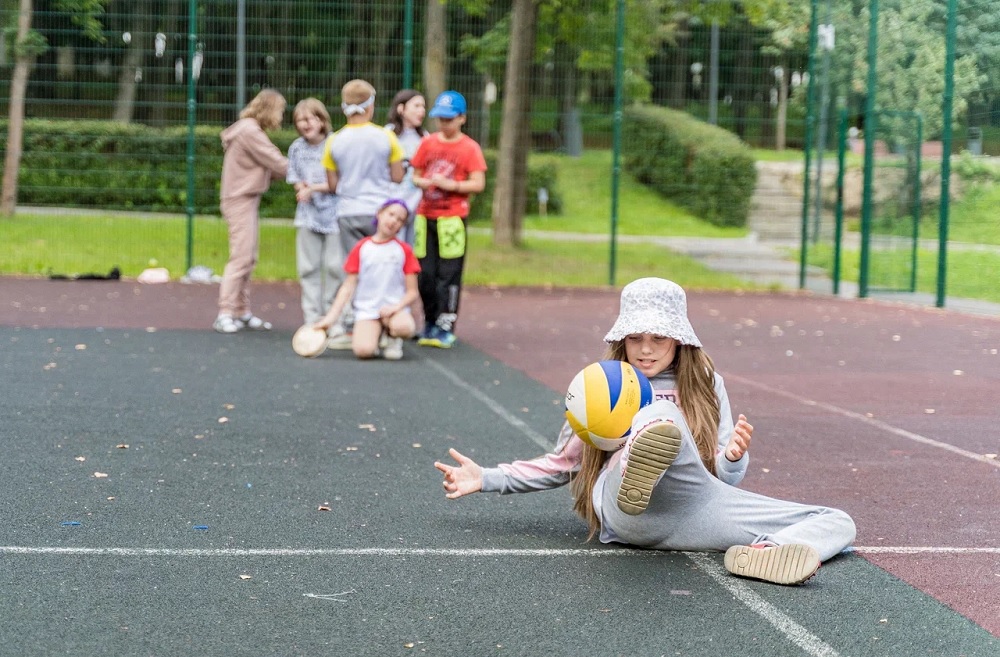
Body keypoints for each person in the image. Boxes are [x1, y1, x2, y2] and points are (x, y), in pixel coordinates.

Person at [434, 278, 857, 585]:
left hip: (693, 508)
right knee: (659, 413)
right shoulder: (603, 382)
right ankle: (641, 457)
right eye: (635, 337)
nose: (646, 348)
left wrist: (732, 458)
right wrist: (487, 478)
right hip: (626, 509)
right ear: (623, 338)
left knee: (837, 521)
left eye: (658, 337)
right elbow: (563, 464)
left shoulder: (707, 383)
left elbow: (722, 477)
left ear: (679, 340)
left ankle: (766, 552)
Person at [321, 79, 406, 347]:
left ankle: (352, 325)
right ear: (370, 106)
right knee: (388, 268)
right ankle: (389, 329)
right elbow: (397, 176)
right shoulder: (386, 137)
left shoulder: (334, 141)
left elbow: (333, 184)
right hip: (380, 212)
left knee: (355, 271)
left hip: (348, 212)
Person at [410, 90, 487, 349]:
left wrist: (450, 185)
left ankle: (446, 325)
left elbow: (477, 183)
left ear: (462, 118)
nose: (444, 123)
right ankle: (429, 321)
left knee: (448, 275)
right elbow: (415, 175)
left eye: (449, 119)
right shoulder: (428, 143)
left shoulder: (469, 148)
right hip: (425, 217)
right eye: (440, 119)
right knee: (426, 275)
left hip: (452, 219)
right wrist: (425, 182)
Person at [214, 88, 289, 334]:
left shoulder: (248, 129)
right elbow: (275, 160)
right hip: (240, 199)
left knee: (248, 257)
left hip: (245, 199)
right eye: (279, 110)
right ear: (269, 109)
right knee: (241, 258)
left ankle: (241, 311)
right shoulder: (249, 131)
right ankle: (225, 312)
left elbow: (270, 166)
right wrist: (308, 171)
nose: (281, 116)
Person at [313, 199, 420, 361]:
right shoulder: (362, 248)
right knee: (363, 351)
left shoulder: (404, 250)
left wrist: (396, 307)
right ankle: (375, 336)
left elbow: (412, 292)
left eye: (400, 220)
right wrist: (330, 318)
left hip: (393, 309)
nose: (393, 221)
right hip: (368, 310)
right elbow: (348, 287)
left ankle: (393, 337)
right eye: (391, 214)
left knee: (404, 327)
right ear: (379, 214)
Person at [287, 98, 343, 329]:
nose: (304, 124)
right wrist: (301, 188)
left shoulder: (335, 143)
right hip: (308, 216)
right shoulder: (296, 148)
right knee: (308, 268)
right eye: (299, 120)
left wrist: (314, 189)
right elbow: (295, 176)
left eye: (309, 118)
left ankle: (333, 318)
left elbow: (340, 181)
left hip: (335, 216)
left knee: (334, 267)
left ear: (321, 120)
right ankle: (311, 318)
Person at [385, 89, 427, 245]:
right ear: (401, 109)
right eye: (416, 106)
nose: (421, 111)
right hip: (391, 203)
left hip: (416, 205)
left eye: (423, 106)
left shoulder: (425, 138)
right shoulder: (387, 134)